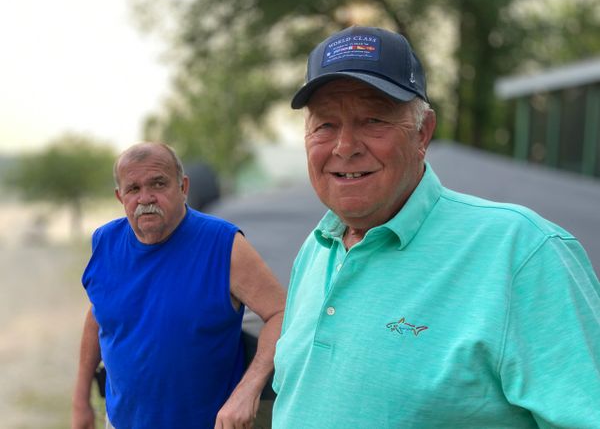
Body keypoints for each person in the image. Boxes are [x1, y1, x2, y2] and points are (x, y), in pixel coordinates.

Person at [272, 26, 600, 428]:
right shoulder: (318, 246)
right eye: (325, 125)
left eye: (372, 119)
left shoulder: (522, 251)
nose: (345, 146)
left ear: (423, 133)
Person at [72, 142, 285, 429]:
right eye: (133, 189)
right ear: (120, 196)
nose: (146, 197)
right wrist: (81, 399)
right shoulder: (105, 241)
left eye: (158, 184)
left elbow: (280, 314)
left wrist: (247, 391)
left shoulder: (223, 244)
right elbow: (99, 315)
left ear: (183, 186)